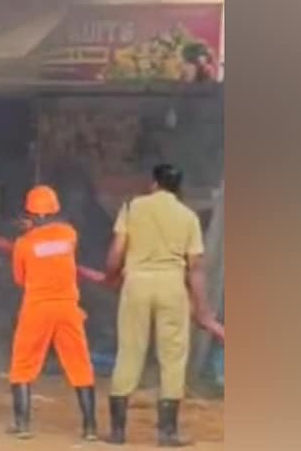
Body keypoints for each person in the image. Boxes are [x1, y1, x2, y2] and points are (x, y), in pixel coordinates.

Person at [104, 164, 216, 447]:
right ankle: (167, 433)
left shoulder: (133, 207)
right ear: (179, 188)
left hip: (137, 283)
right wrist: (203, 310)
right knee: (173, 356)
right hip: (172, 286)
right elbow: (196, 268)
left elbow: (117, 250)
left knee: (129, 351)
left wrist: (110, 277)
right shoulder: (188, 216)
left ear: (154, 183)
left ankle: (118, 432)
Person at [6, 185, 97, 440]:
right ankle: (90, 428)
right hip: (68, 307)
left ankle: (22, 425)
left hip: (37, 307)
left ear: (31, 214)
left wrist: (28, 233)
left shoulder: (23, 243)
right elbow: (57, 240)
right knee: (80, 364)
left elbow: (19, 279)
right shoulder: (69, 234)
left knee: (23, 364)